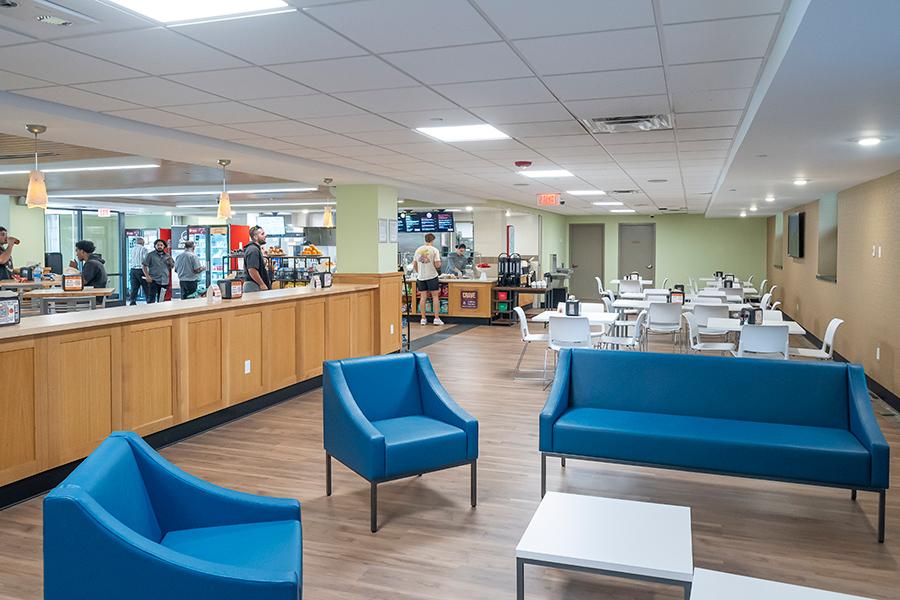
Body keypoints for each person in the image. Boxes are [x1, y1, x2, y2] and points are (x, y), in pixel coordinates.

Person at [414, 232, 443, 325]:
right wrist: (439, 264)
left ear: (425, 240)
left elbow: (414, 264)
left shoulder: (418, 250)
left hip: (421, 277)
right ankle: (436, 318)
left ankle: (423, 319)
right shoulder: (434, 250)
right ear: (433, 240)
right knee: (435, 297)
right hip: (432, 276)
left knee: (423, 297)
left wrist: (419, 272)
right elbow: (437, 265)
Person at [73, 240, 108, 306]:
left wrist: (73, 270)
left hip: (92, 299)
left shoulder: (91, 264)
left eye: (77, 251)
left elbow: (81, 282)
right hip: (96, 297)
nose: (76, 254)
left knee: (60, 302)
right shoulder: (95, 262)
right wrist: (76, 269)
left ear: (82, 251)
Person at [142, 239, 175, 303]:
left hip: (164, 281)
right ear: (155, 246)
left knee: (161, 300)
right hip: (153, 280)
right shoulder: (150, 255)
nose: (159, 246)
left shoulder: (168, 256)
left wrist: (170, 261)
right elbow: (144, 266)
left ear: (164, 246)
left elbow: (172, 266)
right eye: (158, 245)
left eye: (161, 245)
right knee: (151, 300)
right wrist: (147, 276)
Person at [243, 226, 271, 293]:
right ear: (255, 237)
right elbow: (252, 270)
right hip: (253, 286)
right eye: (262, 234)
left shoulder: (255, 249)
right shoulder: (253, 250)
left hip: (254, 285)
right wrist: (262, 284)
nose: (265, 235)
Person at [127, 237, 149, 305]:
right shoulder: (144, 249)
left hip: (133, 270)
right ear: (142, 242)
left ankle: (132, 302)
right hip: (141, 270)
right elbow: (146, 260)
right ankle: (149, 301)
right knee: (146, 287)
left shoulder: (132, 249)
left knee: (134, 288)